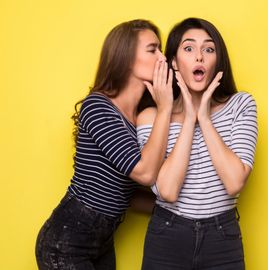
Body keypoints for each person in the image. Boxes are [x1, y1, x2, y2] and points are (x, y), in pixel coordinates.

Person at [35, 19, 173, 270]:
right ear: (126, 56)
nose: (163, 58)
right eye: (153, 50)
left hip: (103, 241)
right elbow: (144, 172)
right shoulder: (98, 107)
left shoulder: (142, 119)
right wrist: (165, 109)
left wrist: (186, 209)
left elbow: (125, 195)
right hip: (67, 242)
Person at [137, 18, 258, 270]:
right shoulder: (152, 117)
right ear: (173, 61)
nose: (199, 57)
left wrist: (203, 117)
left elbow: (235, 182)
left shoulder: (241, 106)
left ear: (217, 61)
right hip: (167, 235)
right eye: (189, 48)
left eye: (209, 49)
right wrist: (189, 116)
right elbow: (168, 191)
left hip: (222, 238)